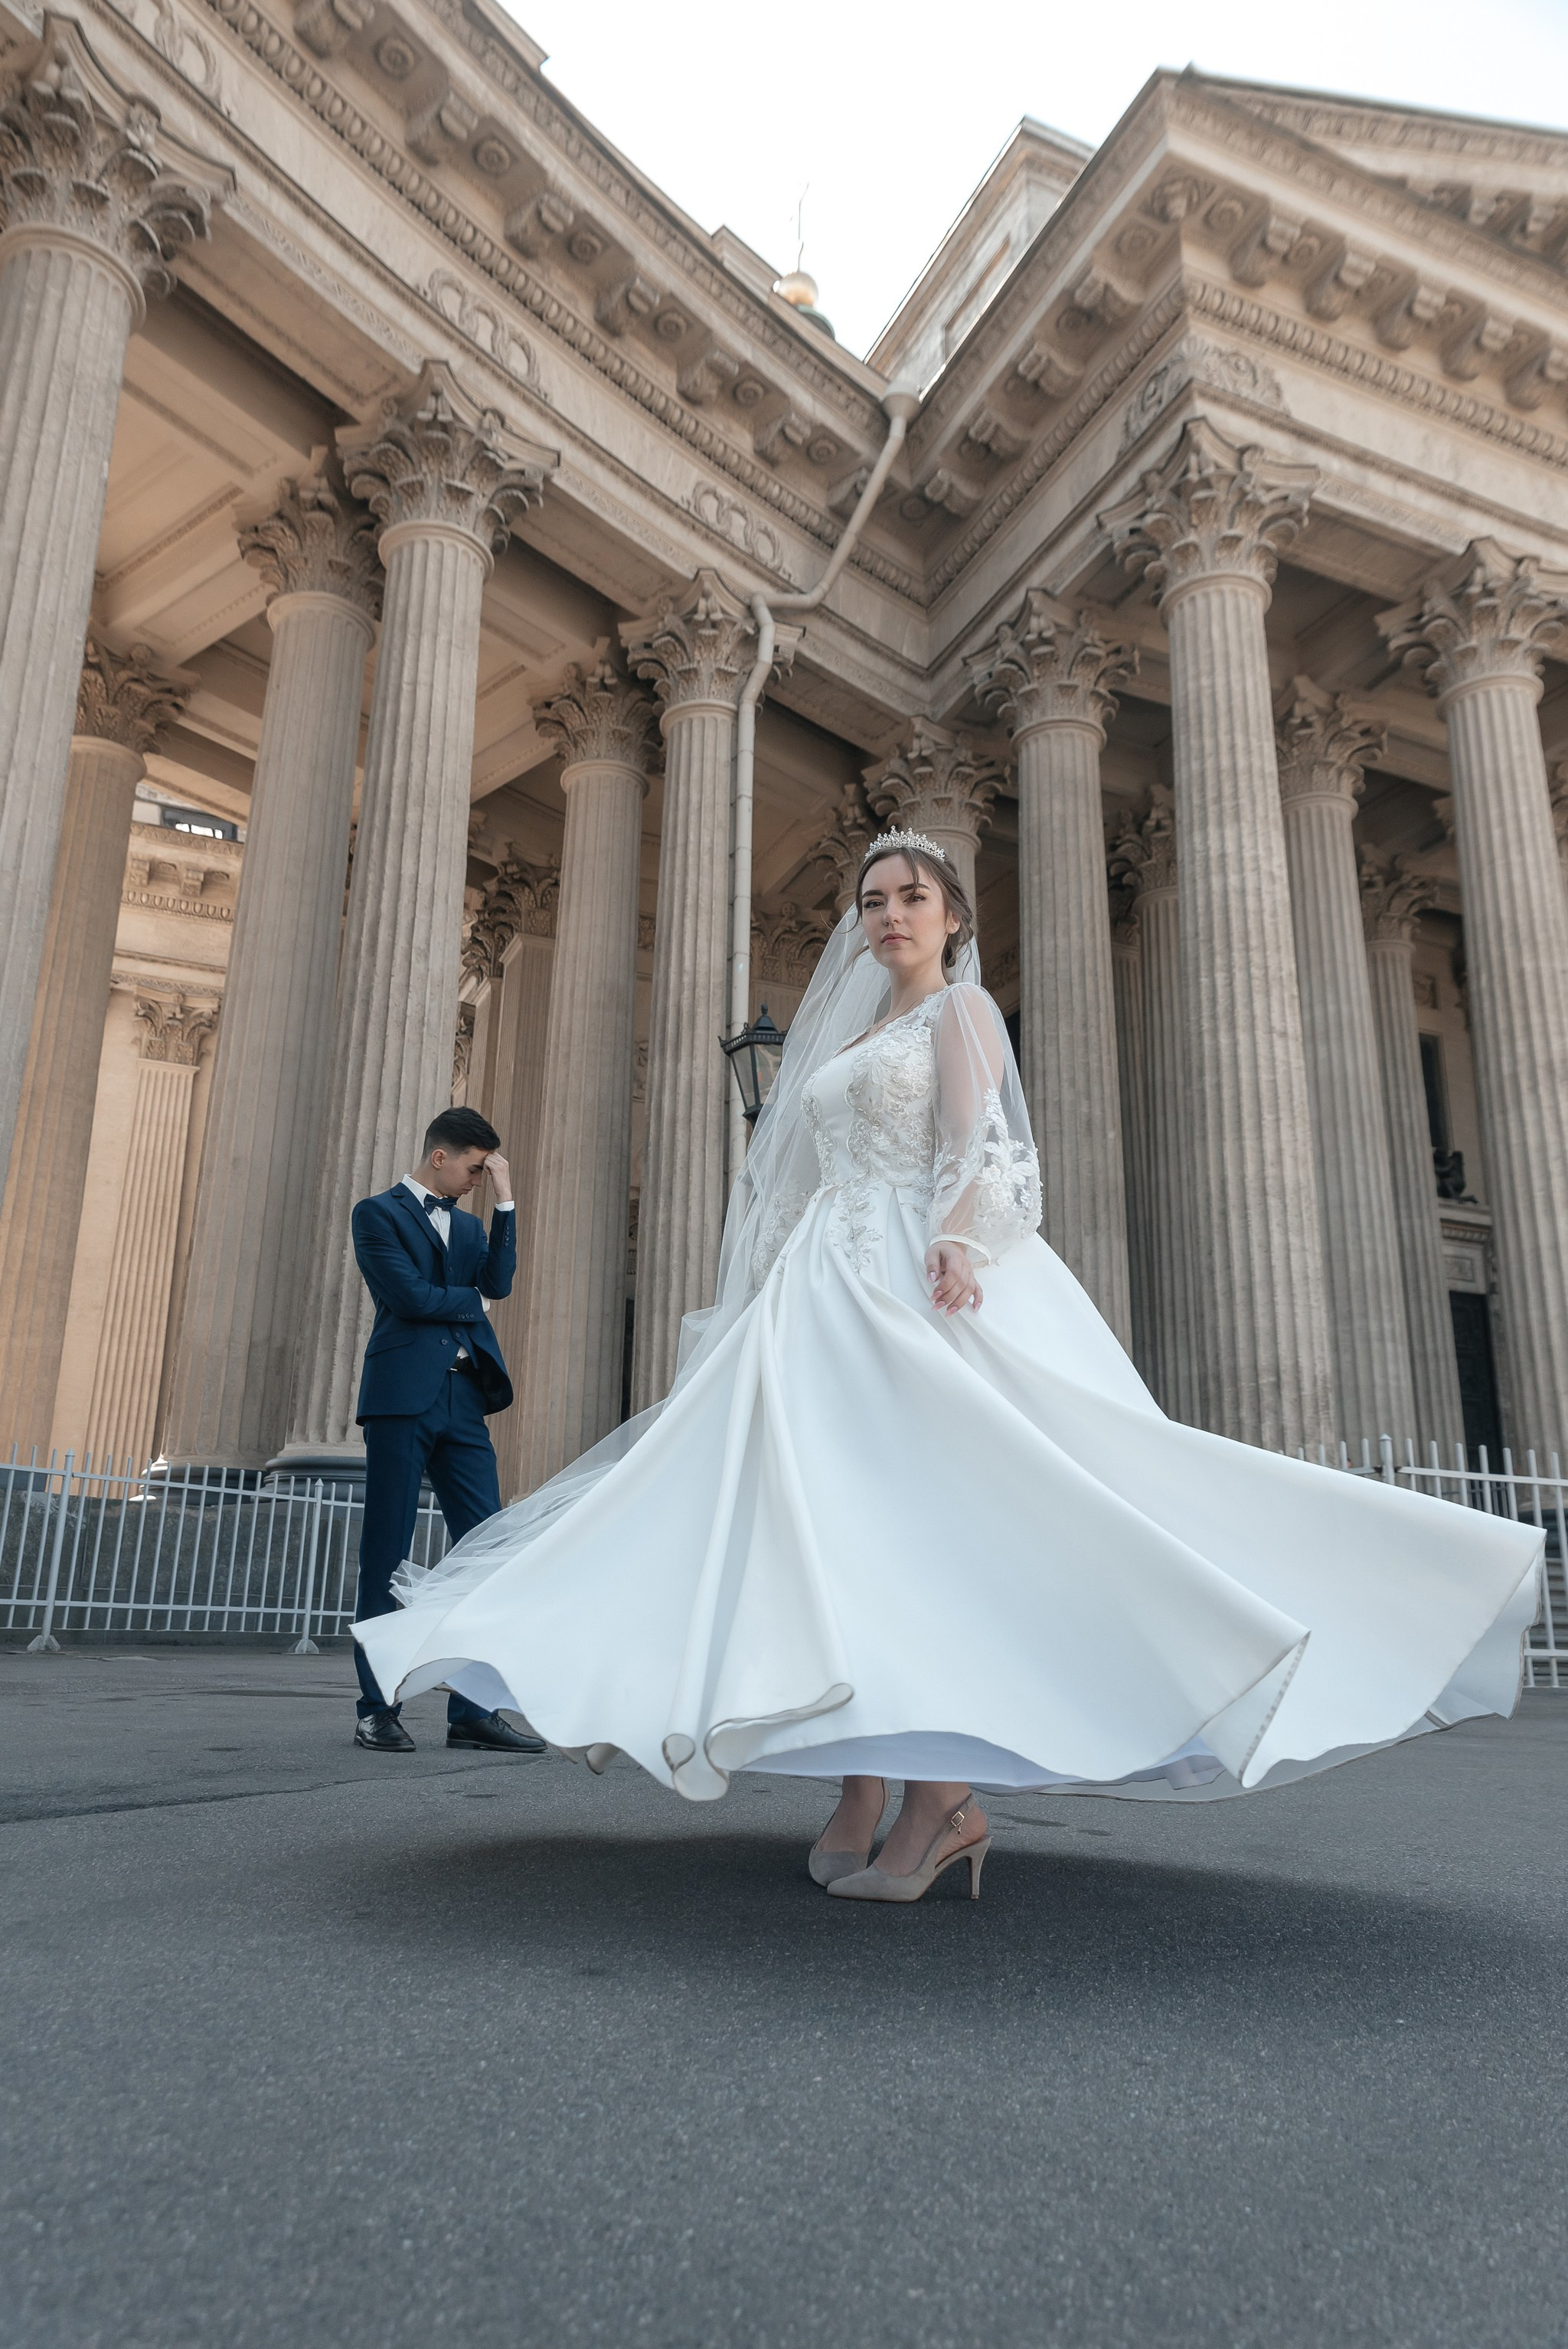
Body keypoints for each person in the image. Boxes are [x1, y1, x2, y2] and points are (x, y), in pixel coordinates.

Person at [356, 832, 1542, 1898]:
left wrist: (962, 1242)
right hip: (821, 1285)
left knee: (941, 1528)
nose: (888, 915)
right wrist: (753, 1299)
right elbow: (801, 1179)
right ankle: (867, 1783)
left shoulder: (959, 1016)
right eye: (873, 899)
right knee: (832, 1532)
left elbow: (985, 1142)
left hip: (915, 1273)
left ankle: (939, 1799)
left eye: (912, 897)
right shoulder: (858, 1030)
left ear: (955, 917)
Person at [348, 1105, 544, 1757]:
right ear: (440, 1157)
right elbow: (407, 1298)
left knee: (485, 1551)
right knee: (387, 1550)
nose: (475, 1180)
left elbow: (499, 1284)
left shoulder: (466, 1227)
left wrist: (507, 1204)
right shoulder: (376, 1214)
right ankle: (377, 1709)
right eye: (473, 1168)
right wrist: (471, 1303)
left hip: (465, 1401)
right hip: (402, 1398)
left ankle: (474, 1711)